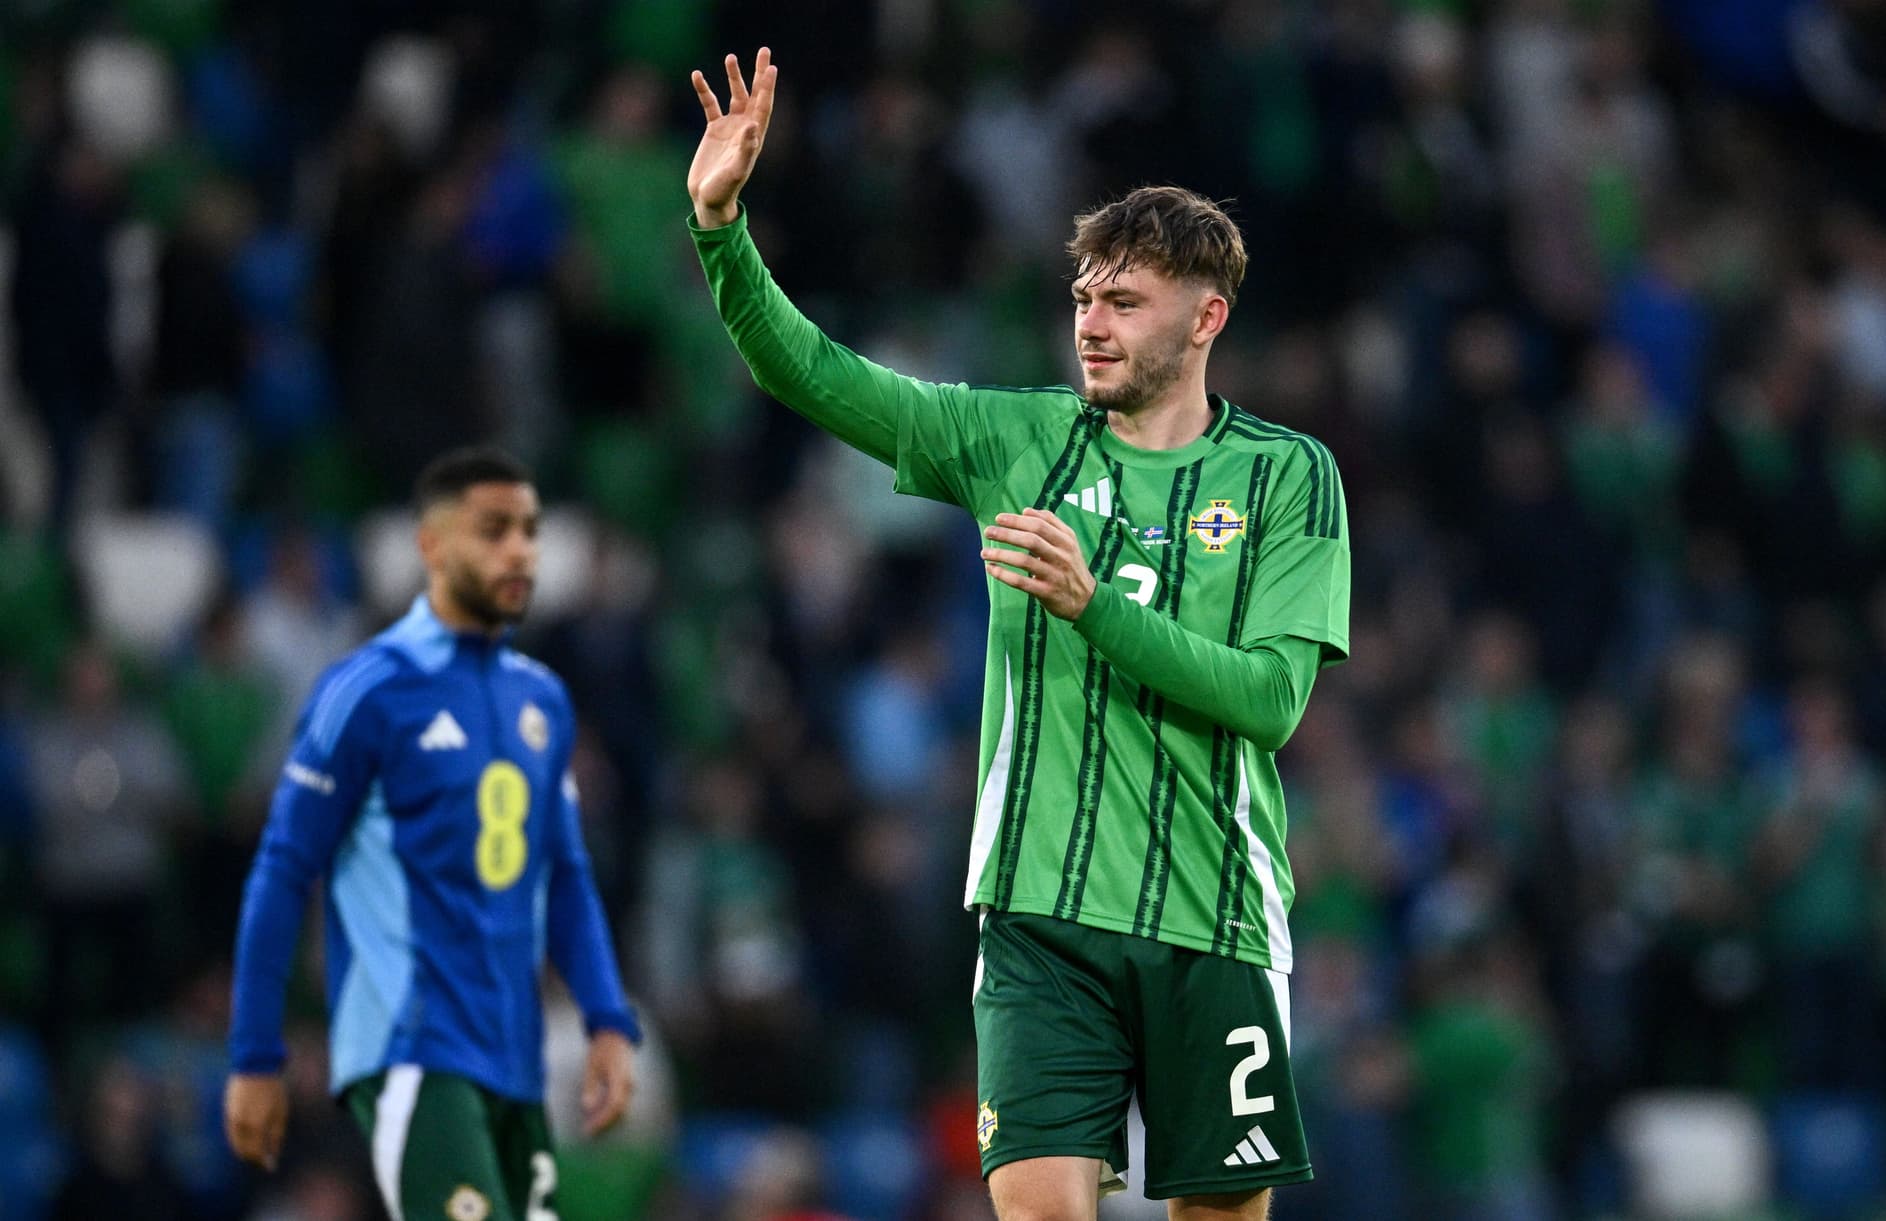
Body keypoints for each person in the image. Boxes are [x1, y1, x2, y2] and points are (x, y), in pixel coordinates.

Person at [686, 49, 1351, 1221]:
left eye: (1123, 301)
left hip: (1220, 917)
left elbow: (1270, 702)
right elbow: (811, 373)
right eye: (1085, 295)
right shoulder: (1010, 439)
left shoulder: (1290, 477)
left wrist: (1097, 606)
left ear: (1206, 320)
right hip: (1039, 916)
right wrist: (721, 228)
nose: (1090, 324)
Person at [223, 447, 642, 1221]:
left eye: (528, 530)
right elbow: (283, 871)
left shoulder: (540, 699)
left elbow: (567, 874)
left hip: (511, 1055)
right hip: (411, 1046)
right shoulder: (366, 692)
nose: (519, 550)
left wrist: (607, 1017)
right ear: (434, 547)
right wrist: (255, 1052)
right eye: (494, 531)